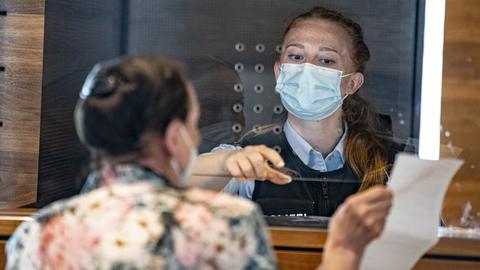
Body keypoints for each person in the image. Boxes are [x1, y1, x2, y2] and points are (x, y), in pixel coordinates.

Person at [6, 56, 393, 270]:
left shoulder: (39, 233)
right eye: (195, 123)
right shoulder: (225, 224)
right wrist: (342, 252)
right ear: (175, 139)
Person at [195, 6, 403, 217]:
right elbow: (174, 195)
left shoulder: (391, 164)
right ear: (279, 72)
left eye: (326, 60)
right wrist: (224, 164)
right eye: (296, 56)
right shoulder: (249, 158)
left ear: (352, 83)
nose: (307, 68)